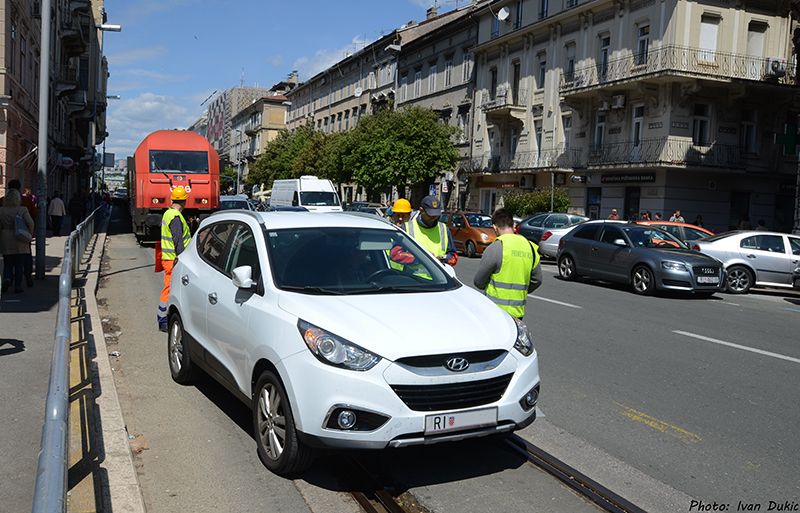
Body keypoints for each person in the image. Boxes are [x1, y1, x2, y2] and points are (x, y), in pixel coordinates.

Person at [474, 208, 542, 319]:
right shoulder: (530, 247)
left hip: (494, 312)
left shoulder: (496, 248)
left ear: (495, 227)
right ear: (513, 225)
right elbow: (537, 279)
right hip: (517, 313)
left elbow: (479, 282)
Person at [157, 186, 192, 332]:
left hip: (168, 258)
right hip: (173, 259)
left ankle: (164, 317)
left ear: (172, 199)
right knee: (169, 289)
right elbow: (178, 240)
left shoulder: (167, 214)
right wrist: (183, 259)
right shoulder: (176, 217)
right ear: (184, 201)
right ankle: (162, 319)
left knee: (170, 288)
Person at [403, 195, 457, 266]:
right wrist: (425, 259)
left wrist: (442, 259)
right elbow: (396, 254)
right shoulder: (407, 228)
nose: (434, 218)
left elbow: (453, 256)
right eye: (430, 215)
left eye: (436, 215)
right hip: (414, 275)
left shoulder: (443, 229)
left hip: (437, 275)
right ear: (421, 210)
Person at [0, 189, 35, 293]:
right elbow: (31, 223)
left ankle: (7, 278)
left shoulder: (1, 210)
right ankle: (18, 285)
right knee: (19, 263)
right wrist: (30, 234)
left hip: (5, 237)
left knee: (7, 262)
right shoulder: (22, 209)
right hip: (20, 237)